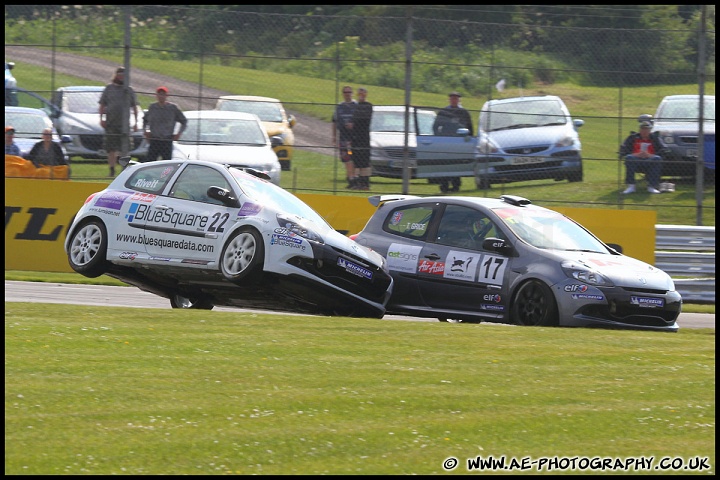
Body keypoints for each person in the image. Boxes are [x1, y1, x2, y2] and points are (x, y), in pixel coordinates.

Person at [99, 66, 139, 177]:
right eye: (120, 74)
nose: (121, 77)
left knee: (125, 149)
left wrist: (136, 122)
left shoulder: (129, 90)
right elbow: (102, 105)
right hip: (111, 123)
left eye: (124, 75)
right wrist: (101, 118)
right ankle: (112, 170)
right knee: (111, 149)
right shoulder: (109, 88)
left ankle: (124, 171)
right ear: (116, 75)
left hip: (124, 124)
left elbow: (135, 107)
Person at [433, 91, 474, 192]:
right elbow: (435, 126)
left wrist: (468, 139)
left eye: (456, 98)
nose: (454, 100)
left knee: (456, 163)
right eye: (452, 98)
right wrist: (440, 137)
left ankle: (456, 185)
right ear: (449, 100)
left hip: (459, 141)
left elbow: (470, 128)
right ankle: (444, 185)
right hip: (446, 141)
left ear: (459, 100)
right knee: (444, 164)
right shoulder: (443, 112)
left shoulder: (464, 112)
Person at [143, 86, 187, 162]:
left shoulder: (173, 108)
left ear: (167, 96)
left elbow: (184, 121)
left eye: (163, 94)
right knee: (150, 162)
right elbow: (145, 120)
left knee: (166, 163)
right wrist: (145, 132)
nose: (161, 96)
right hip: (154, 139)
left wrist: (179, 133)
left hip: (167, 139)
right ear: (156, 96)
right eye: (159, 94)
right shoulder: (152, 107)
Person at [619, 121, 664, 194]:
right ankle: (631, 186)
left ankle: (651, 186)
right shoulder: (632, 138)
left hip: (650, 159)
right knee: (629, 157)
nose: (644, 131)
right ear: (639, 130)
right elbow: (624, 148)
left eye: (646, 129)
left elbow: (663, 149)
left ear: (650, 130)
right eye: (643, 129)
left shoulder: (655, 138)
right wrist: (636, 154)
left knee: (657, 158)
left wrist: (650, 155)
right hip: (635, 159)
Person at [332, 85, 356, 188]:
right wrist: (334, 136)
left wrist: (353, 125)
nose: (347, 94)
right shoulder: (340, 107)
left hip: (354, 137)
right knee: (346, 158)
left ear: (352, 93)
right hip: (343, 136)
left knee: (353, 158)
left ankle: (352, 178)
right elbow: (334, 122)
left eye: (349, 92)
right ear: (343, 94)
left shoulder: (356, 105)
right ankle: (350, 177)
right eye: (345, 92)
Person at [349, 87, 373, 190]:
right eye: (359, 94)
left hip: (364, 136)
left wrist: (354, 123)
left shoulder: (368, 106)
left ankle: (365, 183)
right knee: (356, 161)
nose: (361, 96)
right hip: (355, 136)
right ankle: (358, 182)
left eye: (363, 94)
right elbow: (353, 119)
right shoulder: (356, 106)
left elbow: (364, 119)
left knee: (365, 161)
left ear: (366, 94)